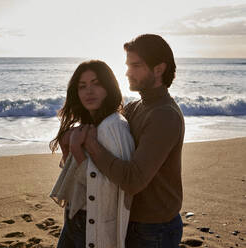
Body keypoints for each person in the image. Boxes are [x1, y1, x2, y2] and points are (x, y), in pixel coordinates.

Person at [71, 34, 185, 247]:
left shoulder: (164, 115)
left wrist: (92, 146)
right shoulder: (136, 107)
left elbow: (133, 180)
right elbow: (104, 123)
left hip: (154, 228)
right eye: (127, 65)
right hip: (132, 220)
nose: (127, 72)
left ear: (158, 69)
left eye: (135, 65)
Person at [49, 60, 135, 248]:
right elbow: (76, 182)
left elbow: (111, 189)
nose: (89, 91)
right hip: (76, 217)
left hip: (91, 224)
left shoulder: (113, 126)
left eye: (96, 83)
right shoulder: (90, 125)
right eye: (82, 86)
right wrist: (68, 148)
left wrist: (77, 150)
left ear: (109, 87)